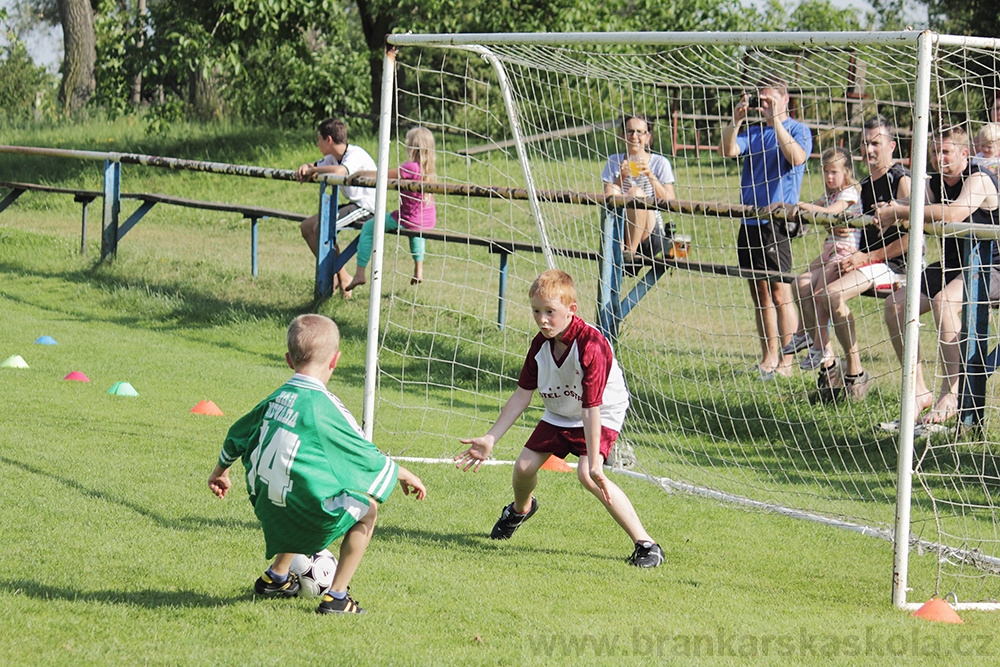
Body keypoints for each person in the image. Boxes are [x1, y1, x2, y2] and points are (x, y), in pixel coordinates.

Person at [208, 313, 427, 614]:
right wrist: (403, 474)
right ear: (335, 360)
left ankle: (276, 576)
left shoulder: (274, 399)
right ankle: (337, 597)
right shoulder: (326, 409)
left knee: (304, 477)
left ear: (288, 359)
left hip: (267, 506)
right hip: (297, 509)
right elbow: (364, 456)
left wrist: (220, 472)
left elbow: (236, 435)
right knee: (368, 510)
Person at [454, 270, 664, 568]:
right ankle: (520, 510)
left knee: (588, 476)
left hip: (601, 412)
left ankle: (647, 545)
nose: (542, 320)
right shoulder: (540, 344)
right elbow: (522, 395)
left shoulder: (592, 345)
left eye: (550, 312)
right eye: (536, 311)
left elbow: (592, 408)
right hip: (560, 411)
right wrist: (490, 438)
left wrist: (593, 462)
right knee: (523, 468)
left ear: (571, 310)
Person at [879, 125, 1000, 428]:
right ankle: (920, 393)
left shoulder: (980, 179)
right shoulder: (933, 183)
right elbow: (906, 205)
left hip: (992, 266)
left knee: (943, 302)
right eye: (934, 151)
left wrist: (899, 212)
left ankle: (952, 392)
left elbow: (954, 213)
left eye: (945, 151)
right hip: (954, 265)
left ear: (963, 153)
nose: (938, 157)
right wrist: (890, 209)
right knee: (896, 305)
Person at [797, 116, 912, 402]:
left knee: (831, 294)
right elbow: (844, 221)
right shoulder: (860, 185)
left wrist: (866, 256)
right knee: (802, 284)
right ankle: (828, 368)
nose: (869, 149)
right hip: (860, 260)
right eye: (865, 143)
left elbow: (915, 241)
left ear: (891, 145)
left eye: (876, 143)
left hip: (893, 266)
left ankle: (855, 373)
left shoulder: (902, 181)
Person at [719, 79, 812, 380]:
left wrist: (776, 122)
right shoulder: (754, 132)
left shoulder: (798, 130)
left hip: (777, 224)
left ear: (786, 99)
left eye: (770, 99)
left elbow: (796, 157)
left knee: (779, 291)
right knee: (760, 293)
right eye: (761, 100)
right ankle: (768, 358)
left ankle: (787, 360)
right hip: (749, 221)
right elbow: (728, 149)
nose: (764, 105)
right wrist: (735, 121)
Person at [789, 147, 863, 370]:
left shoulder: (849, 193)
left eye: (834, 172)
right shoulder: (829, 194)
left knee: (820, 294)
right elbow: (821, 207)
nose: (829, 177)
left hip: (844, 254)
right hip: (829, 252)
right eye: (826, 172)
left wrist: (803, 207)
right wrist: (793, 207)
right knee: (799, 283)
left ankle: (821, 348)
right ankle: (804, 333)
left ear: (846, 172)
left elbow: (832, 212)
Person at [345, 126, 437, 291]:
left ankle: (360, 272)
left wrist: (362, 172)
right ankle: (418, 269)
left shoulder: (411, 167)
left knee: (368, 228)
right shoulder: (428, 169)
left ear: (411, 147)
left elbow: (384, 174)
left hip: (408, 218)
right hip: (427, 219)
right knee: (416, 232)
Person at [295, 118, 377, 295]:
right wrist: (306, 167)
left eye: (319, 139)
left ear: (329, 139)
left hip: (366, 208)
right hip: (353, 205)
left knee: (321, 228)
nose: (317, 144)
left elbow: (341, 172)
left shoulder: (355, 154)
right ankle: (341, 274)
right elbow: (315, 165)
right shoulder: (332, 157)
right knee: (307, 227)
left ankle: (335, 276)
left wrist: (313, 171)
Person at [601, 115, 677, 260]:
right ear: (623, 135)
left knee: (635, 193)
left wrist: (650, 175)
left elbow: (670, 200)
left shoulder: (660, 162)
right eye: (630, 132)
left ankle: (630, 254)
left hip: (650, 234)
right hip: (621, 231)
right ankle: (624, 249)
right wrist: (621, 177)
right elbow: (608, 199)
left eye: (639, 132)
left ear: (648, 137)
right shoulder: (613, 160)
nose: (634, 136)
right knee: (618, 191)